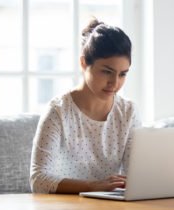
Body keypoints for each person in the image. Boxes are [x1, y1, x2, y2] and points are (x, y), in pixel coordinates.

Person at [30, 18, 141, 194]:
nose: (115, 82)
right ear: (83, 63)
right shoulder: (59, 111)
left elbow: (136, 176)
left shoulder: (128, 112)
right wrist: (91, 186)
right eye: (107, 71)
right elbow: (38, 179)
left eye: (123, 74)